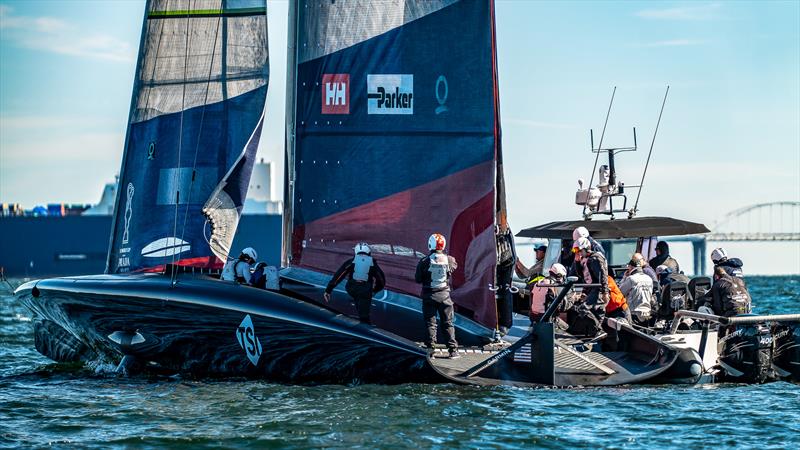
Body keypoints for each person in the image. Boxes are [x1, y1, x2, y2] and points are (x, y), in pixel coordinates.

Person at [415, 233, 459, 358]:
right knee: (448, 323)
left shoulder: (424, 261)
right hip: (445, 296)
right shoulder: (450, 260)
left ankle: (431, 349)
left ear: (430, 245)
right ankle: (453, 350)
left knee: (431, 323)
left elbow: (418, 279)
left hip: (429, 296)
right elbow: (453, 267)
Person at [324, 242, 386, 324]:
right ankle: (364, 329)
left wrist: (328, 290)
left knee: (359, 299)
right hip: (365, 292)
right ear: (369, 252)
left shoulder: (351, 261)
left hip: (351, 289)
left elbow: (338, 276)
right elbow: (381, 280)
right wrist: (375, 290)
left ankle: (360, 309)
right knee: (364, 317)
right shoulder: (373, 264)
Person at [568, 237, 610, 336]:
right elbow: (580, 275)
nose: (577, 253)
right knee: (584, 310)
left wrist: (605, 292)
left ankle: (598, 331)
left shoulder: (595, 258)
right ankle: (591, 332)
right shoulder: (584, 259)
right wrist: (577, 262)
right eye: (575, 251)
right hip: (591, 289)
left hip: (597, 289)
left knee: (584, 309)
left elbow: (603, 276)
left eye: (579, 250)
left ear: (586, 248)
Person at [619, 255, 656, 326]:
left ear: (631, 267)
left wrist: (624, 277)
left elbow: (620, 293)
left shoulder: (631, 279)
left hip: (634, 314)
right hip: (647, 313)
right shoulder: (649, 279)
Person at [495, 226, 516, 335]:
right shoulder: (507, 235)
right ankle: (504, 324)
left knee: (504, 292)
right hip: (506, 264)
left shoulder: (503, 238)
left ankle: (503, 324)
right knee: (505, 292)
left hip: (504, 264)